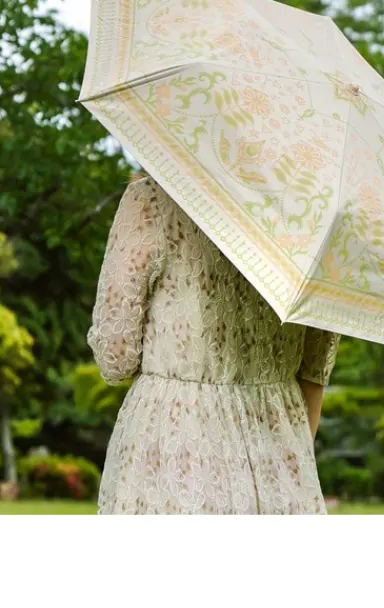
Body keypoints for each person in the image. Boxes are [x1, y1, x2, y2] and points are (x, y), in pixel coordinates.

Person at [88, 171, 340, 514]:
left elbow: (115, 358)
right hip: (278, 443)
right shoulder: (316, 216)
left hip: (173, 440)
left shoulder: (153, 199)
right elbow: (315, 370)